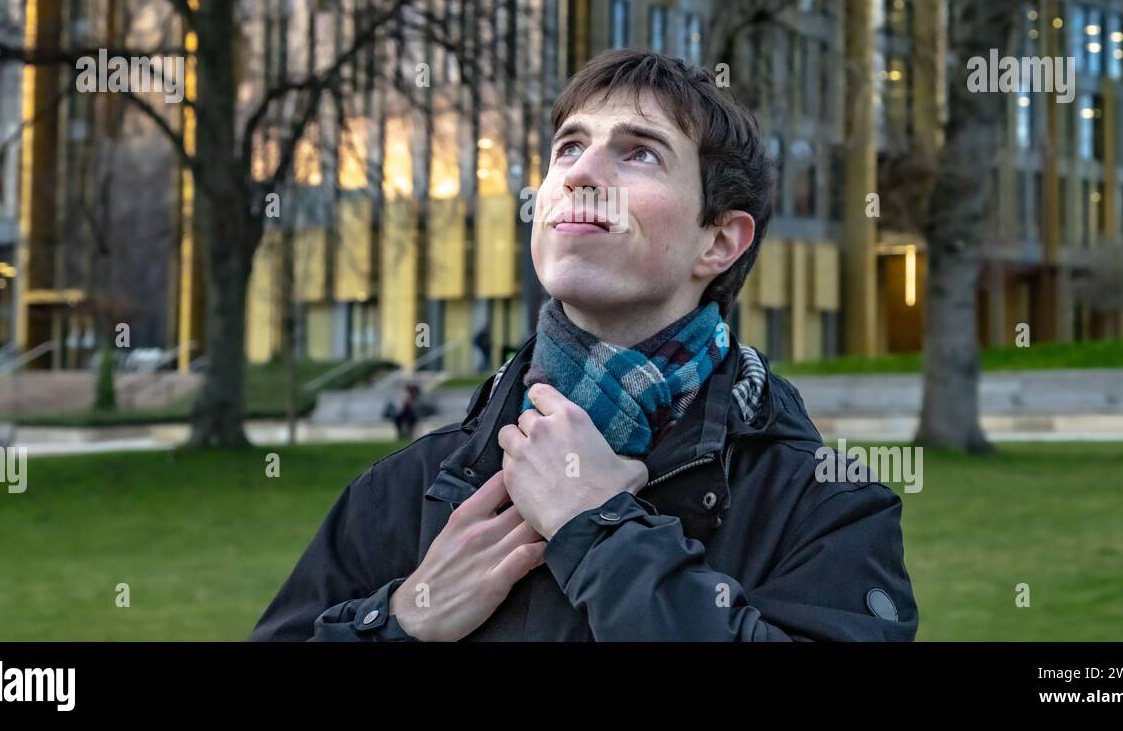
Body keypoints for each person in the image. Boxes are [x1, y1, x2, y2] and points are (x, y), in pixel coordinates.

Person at [250, 49, 918, 642]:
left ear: (718, 241)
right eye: (568, 148)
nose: (580, 174)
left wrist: (602, 532)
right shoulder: (407, 490)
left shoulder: (826, 508)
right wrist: (401, 620)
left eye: (639, 153)